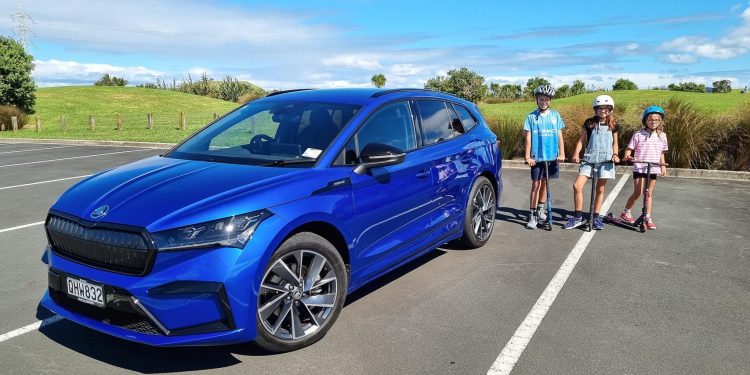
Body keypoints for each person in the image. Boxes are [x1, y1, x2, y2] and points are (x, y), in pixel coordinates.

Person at [564, 95, 620, 230]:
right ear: (595, 109)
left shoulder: (613, 125)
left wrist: (615, 155)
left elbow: (615, 143)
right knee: (577, 186)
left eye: (606, 109)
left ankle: (596, 217)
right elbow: (581, 140)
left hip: (605, 160)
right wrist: (577, 153)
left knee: (600, 189)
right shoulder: (589, 123)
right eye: (600, 108)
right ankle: (578, 217)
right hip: (589, 159)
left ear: (610, 109)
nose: (603, 111)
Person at [619, 105, 668, 230]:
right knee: (638, 192)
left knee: (649, 193)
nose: (653, 122)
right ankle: (626, 211)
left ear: (660, 121)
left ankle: (647, 216)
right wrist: (628, 156)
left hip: (654, 168)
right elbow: (629, 149)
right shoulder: (639, 134)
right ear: (645, 120)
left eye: (657, 120)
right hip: (640, 167)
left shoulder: (662, 135)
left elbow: (662, 152)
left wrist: (663, 167)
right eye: (651, 120)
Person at [523, 84, 566, 229]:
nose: (544, 102)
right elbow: (528, 138)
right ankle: (532, 214)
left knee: (545, 184)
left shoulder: (555, 116)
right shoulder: (531, 117)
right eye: (541, 99)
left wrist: (562, 153)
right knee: (536, 184)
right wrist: (528, 156)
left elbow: (560, 136)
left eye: (546, 100)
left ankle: (541, 209)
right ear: (537, 100)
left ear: (550, 101)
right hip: (537, 157)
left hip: (552, 156)